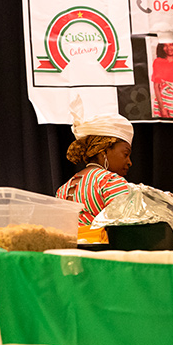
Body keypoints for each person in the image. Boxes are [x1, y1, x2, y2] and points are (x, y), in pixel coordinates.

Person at [56, 97, 133, 244]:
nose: (129, 162)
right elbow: (125, 231)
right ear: (103, 151)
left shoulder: (62, 190)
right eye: (126, 154)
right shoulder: (110, 181)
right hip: (101, 258)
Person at [151, 41, 173, 118]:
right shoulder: (158, 62)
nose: (169, 48)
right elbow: (156, 87)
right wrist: (162, 108)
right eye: (165, 46)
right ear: (161, 48)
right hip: (166, 101)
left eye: (170, 45)